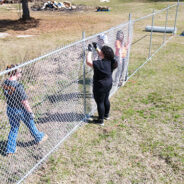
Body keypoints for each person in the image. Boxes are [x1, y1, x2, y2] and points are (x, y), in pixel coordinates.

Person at [2, 64, 48, 156]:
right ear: (16, 73)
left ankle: (10, 150)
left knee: (14, 128)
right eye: (21, 72)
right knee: (30, 123)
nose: (22, 74)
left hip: (10, 109)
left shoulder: (5, 83)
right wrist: (30, 112)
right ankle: (39, 138)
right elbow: (24, 102)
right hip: (20, 110)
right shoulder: (18, 86)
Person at [86, 44, 118, 125]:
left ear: (103, 54)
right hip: (109, 84)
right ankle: (106, 115)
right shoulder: (112, 61)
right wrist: (96, 48)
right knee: (106, 99)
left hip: (100, 86)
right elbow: (103, 54)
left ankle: (100, 120)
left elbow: (88, 62)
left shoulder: (100, 64)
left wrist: (89, 51)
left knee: (100, 102)